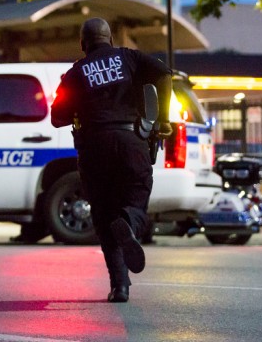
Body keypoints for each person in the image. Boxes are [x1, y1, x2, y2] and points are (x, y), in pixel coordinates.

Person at [51, 17, 172, 303]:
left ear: (83, 44)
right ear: (111, 40)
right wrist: (163, 119)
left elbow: (57, 118)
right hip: (131, 143)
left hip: (95, 149)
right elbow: (164, 73)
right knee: (136, 197)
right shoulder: (128, 58)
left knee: (105, 216)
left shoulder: (76, 73)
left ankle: (120, 287)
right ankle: (130, 222)